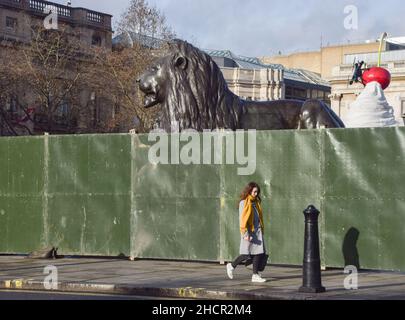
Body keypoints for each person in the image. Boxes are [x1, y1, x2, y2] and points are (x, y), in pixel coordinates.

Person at [226, 182, 268, 283]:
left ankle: (255, 275)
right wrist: (245, 234)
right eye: (254, 191)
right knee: (246, 254)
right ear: (249, 191)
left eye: (257, 192)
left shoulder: (256, 202)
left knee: (258, 253)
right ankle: (231, 266)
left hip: (257, 232)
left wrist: (261, 230)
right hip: (248, 232)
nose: (256, 194)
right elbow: (242, 219)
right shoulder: (244, 203)